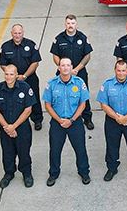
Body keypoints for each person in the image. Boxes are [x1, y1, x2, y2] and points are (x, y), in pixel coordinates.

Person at [42, 58, 91, 187]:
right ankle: (53, 173)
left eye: (68, 65)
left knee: (80, 149)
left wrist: (72, 120)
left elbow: (83, 104)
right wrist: (60, 120)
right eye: (62, 65)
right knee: (55, 150)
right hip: (57, 123)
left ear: (71, 67)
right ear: (58, 68)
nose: (65, 68)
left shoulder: (79, 83)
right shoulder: (51, 84)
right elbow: (47, 105)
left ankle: (84, 172)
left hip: (75, 122)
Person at [0, 64, 36, 189]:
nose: (8, 77)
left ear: (16, 75)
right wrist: (7, 127)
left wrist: (14, 126)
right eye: (6, 74)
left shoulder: (25, 88)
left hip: (22, 128)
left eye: (11, 74)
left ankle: (27, 174)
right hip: (5, 129)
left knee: (24, 152)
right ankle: (9, 174)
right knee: (7, 153)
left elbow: (28, 109)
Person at [50, 15, 95, 130]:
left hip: (79, 72)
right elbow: (55, 56)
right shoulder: (59, 39)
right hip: (62, 73)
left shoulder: (82, 37)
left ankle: (87, 118)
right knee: (61, 94)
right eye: (68, 23)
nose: (70, 25)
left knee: (84, 96)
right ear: (65, 24)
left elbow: (87, 55)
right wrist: (63, 68)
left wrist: (76, 69)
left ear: (76, 24)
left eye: (73, 23)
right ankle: (61, 116)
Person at [0, 24, 43, 131]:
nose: (17, 35)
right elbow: (2, 64)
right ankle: (18, 120)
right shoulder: (5, 47)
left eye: (19, 33)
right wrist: (12, 76)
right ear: (11, 33)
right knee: (15, 100)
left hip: (30, 78)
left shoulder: (31, 45)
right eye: (15, 33)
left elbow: (35, 63)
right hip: (12, 80)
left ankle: (37, 120)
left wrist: (24, 76)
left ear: (23, 33)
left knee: (34, 99)